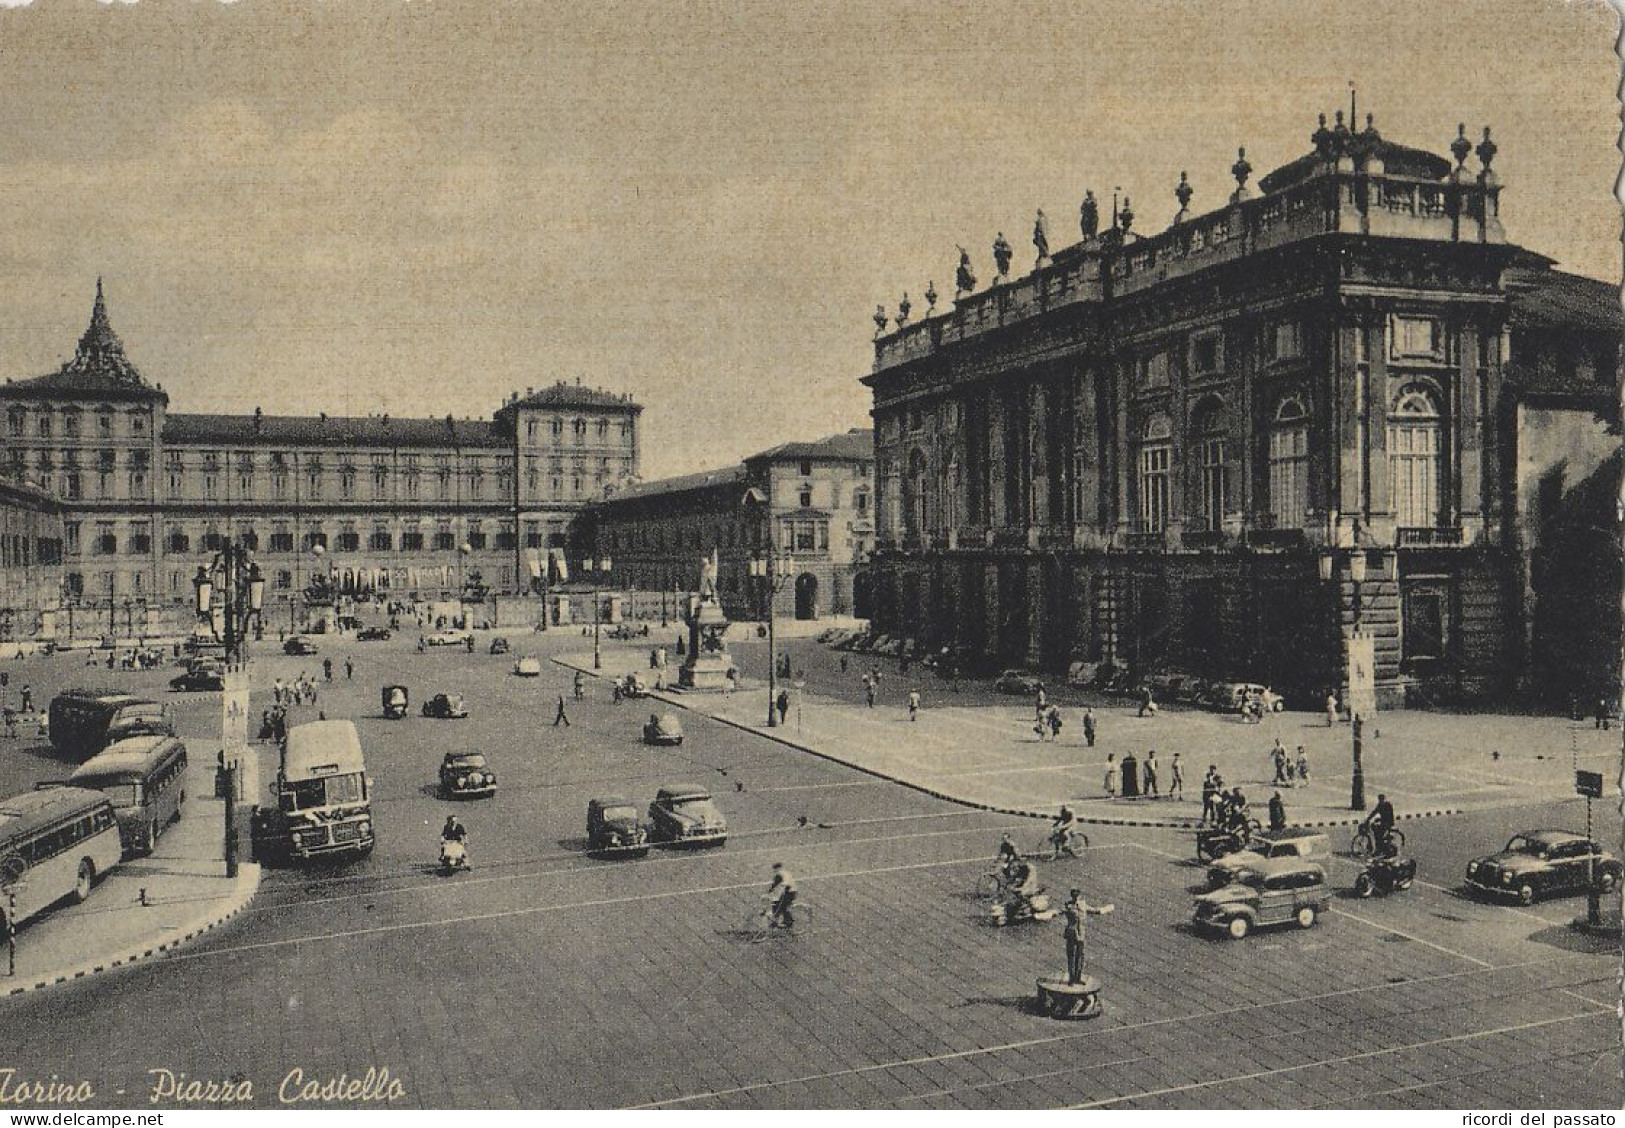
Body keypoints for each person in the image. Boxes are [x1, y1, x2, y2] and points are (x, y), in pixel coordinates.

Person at [1062, 888, 1115, 985]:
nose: (1076, 898)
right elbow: (1060, 912)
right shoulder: (1068, 905)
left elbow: (1095, 910)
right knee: (1071, 957)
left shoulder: (1083, 905)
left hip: (1081, 934)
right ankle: (1071, 979)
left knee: (1080, 956)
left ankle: (1077, 977)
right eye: (1074, 896)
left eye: (1077, 896)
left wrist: (1108, 908)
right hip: (1071, 934)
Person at [765, 862, 797, 929]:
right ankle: (786, 920)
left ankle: (778, 921)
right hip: (792, 891)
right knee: (781, 905)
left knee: (779, 905)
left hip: (788, 892)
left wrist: (769, 892)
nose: (774, 871)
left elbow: (775, 884)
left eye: (774, 869)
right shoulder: (786, 872)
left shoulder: (779, 874)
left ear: (776, 868)